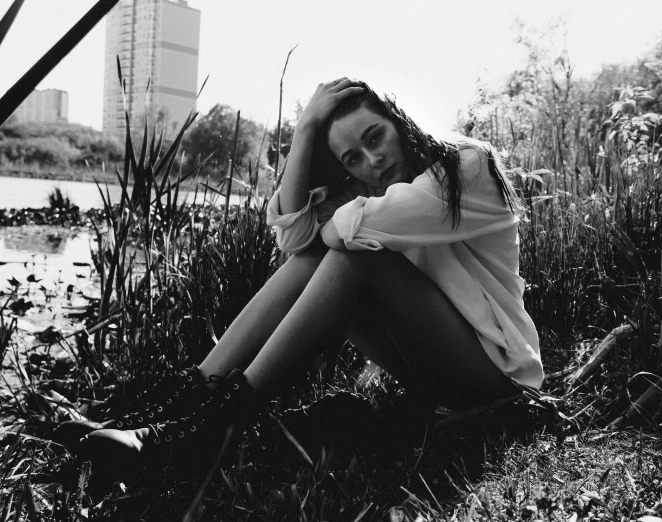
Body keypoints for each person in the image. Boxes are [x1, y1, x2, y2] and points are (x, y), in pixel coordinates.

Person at [69, 78, 543, 475]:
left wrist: (337, 216)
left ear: (401, 121)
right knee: (319, 257)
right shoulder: (376, 192)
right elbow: (295, 239)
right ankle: (181, 409)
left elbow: (338, 234)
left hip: (495, 379)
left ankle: (217, 428)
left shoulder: (465, 167)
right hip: (430, 372)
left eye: (374, 137)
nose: (370, 161)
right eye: (352, 158)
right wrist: (305, 131)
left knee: (350, 256)